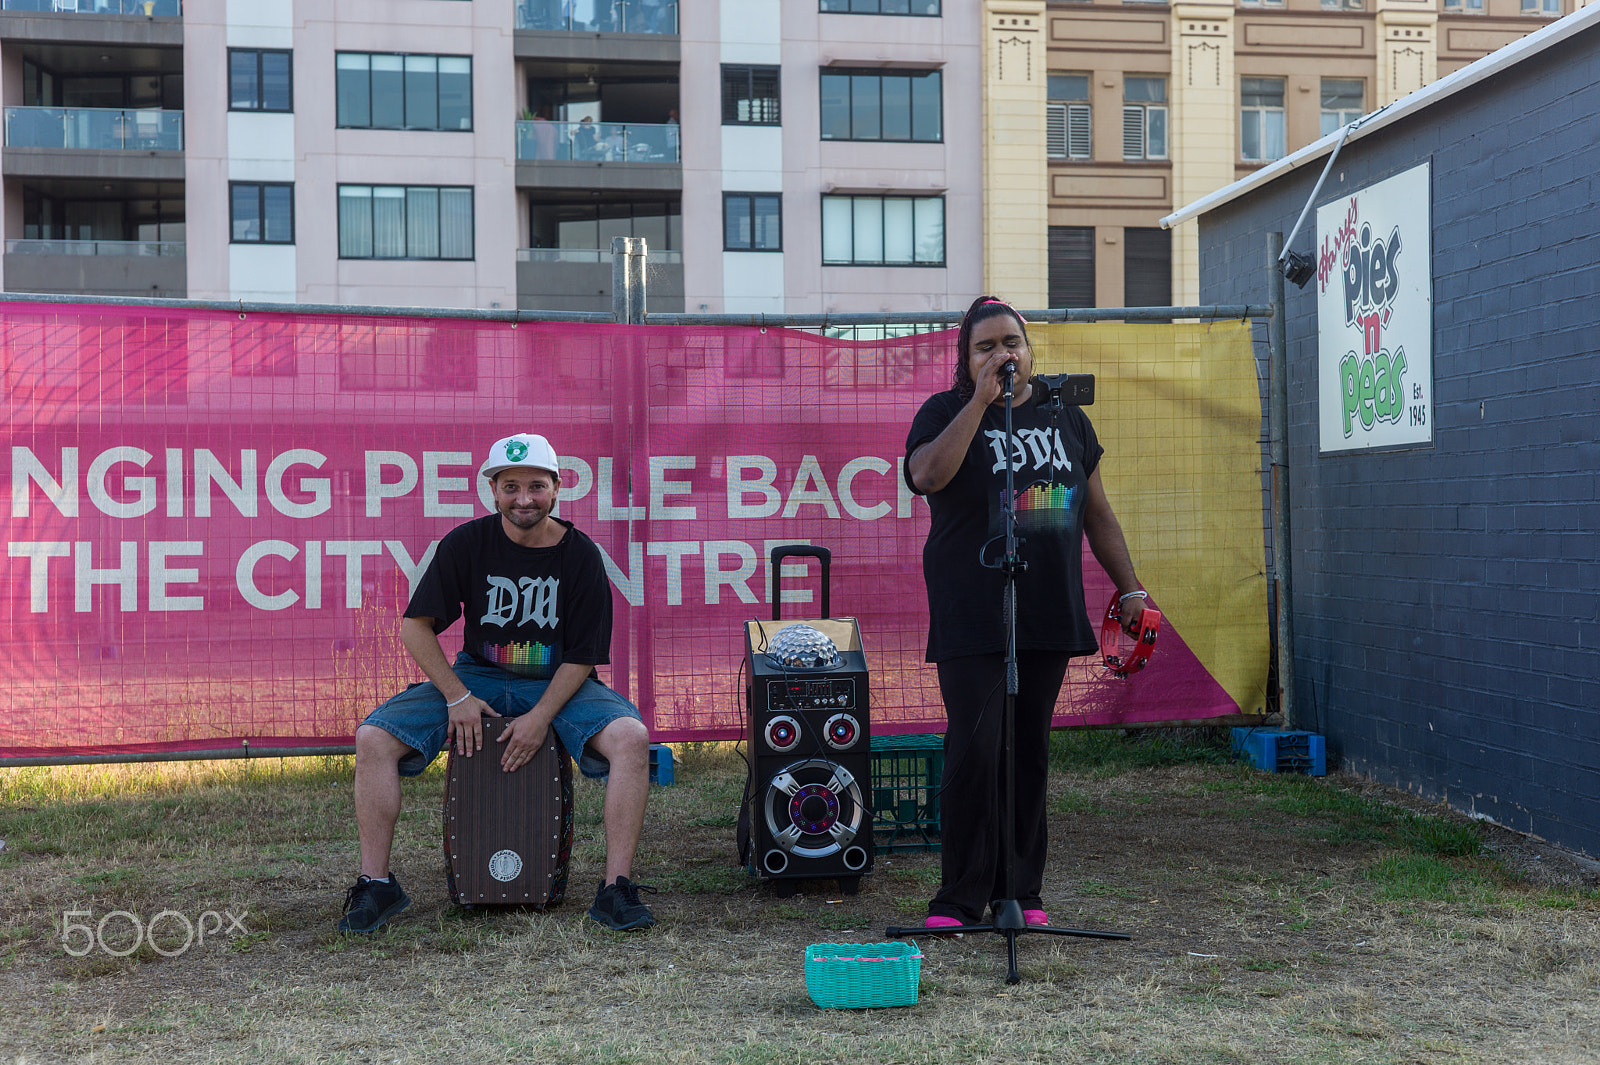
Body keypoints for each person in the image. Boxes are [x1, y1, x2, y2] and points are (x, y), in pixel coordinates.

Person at [339, 433, 657, 934]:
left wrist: (539, 719)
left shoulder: (580, 556)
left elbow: (581, 657)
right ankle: (376, 885)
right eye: (510, 486)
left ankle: (615, 888)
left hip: (557, 681)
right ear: (492, 489)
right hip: (477, 676)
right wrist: (458, 697)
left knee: (631, 739)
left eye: (536, 485)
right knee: (373, 738)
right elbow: (414, 628)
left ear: (556, 488)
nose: (523, 498)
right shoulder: (466, 543)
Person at [902, 296, 1148, 932]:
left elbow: (1096, 513)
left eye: (1010, 342)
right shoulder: (946, 411)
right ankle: (957, 898)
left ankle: (1020, 890)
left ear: (1029, 350)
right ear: (966, 360)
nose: (1001, 354)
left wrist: (1130, 590)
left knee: (1028, 752)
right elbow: (926, 475)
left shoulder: (1067, 418)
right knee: (975, 749)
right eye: (985, 346)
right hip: (973, 608)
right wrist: (981, 403)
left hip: (1044, 606)